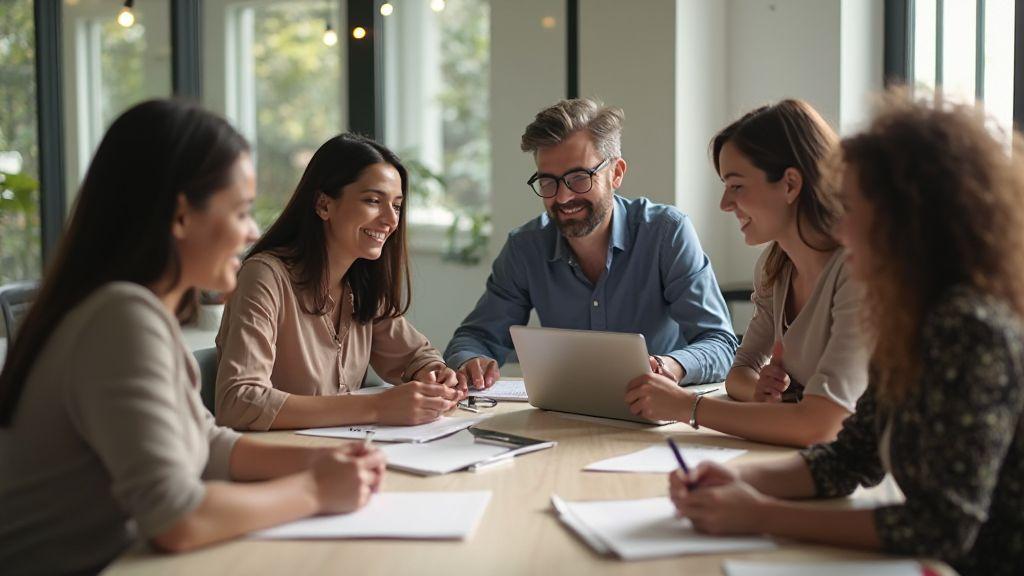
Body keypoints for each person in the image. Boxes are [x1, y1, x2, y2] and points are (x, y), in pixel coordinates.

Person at [0, 100, 385, 574]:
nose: (250, 233)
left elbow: (207, 445)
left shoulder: (129, 312)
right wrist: (316, 490)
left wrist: (326, 461)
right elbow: (176, 518)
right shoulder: (119, 318)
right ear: (181, 217)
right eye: (241, 211)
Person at [668, 95, 1024, 576]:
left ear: (908, 219)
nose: (840, 222)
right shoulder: (910, 318)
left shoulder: (969, 328)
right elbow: (849, 457)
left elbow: (941, 525)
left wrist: (759, 514)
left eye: (853, 206)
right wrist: (731, 477)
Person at [444, 98, 737, 389]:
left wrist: (668, 367)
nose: (562, 197)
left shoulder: (666, 233)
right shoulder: (526, 247)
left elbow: (721, 344)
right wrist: (471, 361)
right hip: (564, 414)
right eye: (548, 182)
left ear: (616, 173)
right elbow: (474, 338)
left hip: (657, 412)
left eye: (579, 178)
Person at [624, 100, 868, 447]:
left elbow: (820, 425)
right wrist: (760, 392)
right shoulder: (775, 267)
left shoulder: (860, 272)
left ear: (790, 184)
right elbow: (738, 373)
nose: (725, 203)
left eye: (736, 185)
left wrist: (686, 406)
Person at [215, 133, 461, 431]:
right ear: (323, 204)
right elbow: (239, 402)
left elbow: (414, 355)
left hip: (347, 458)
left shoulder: (360, 281)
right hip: (281, 462)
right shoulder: (264, 276)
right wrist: (377, 406)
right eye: (373, 200)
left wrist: (433, 374)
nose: (390, 220)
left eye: (396, 206)